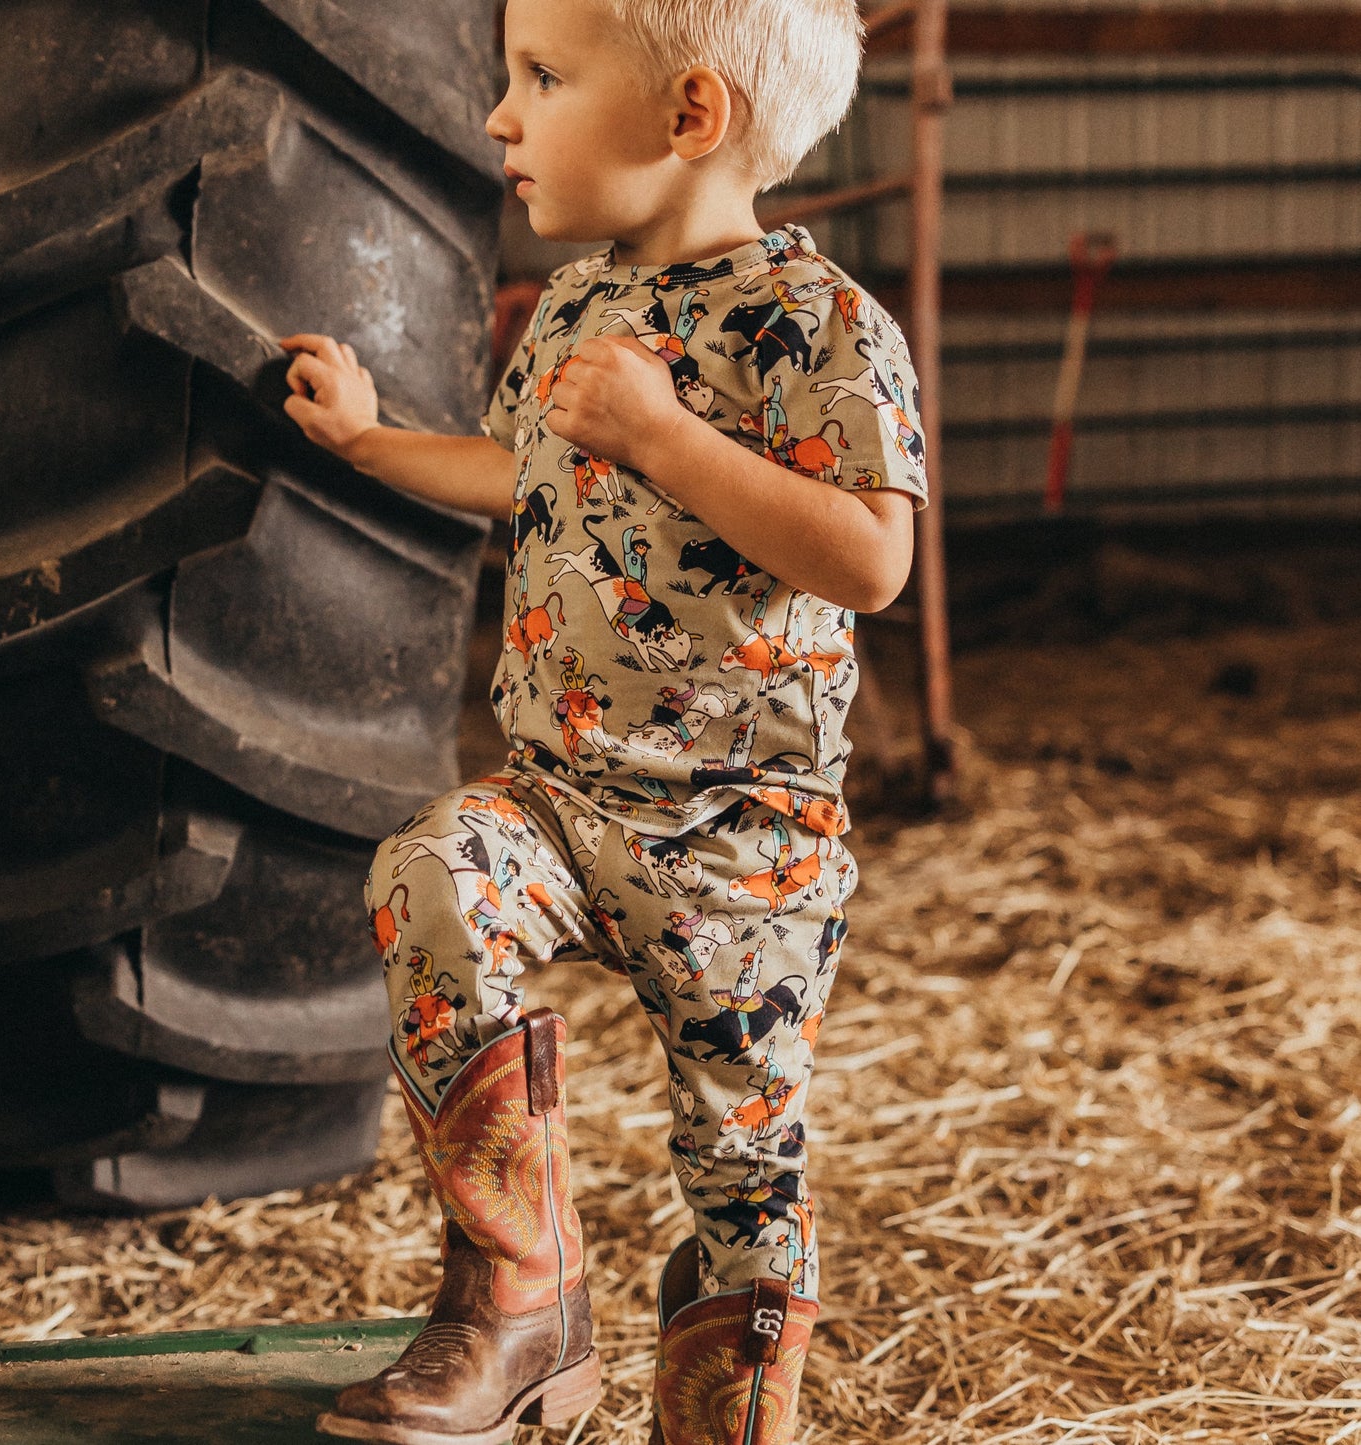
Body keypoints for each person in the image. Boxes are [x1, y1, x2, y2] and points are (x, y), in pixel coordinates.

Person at [280, 0, 927, 1439]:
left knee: (744, 1173)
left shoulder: (818, 325)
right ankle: (519, 1303)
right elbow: (520, 473)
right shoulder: (579, 303)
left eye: (543, 78)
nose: (501, 115)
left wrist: (666, 438)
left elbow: (870, 558)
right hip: (561, 804)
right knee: (431, 872)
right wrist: (370, 436)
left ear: (689, 116)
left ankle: (721, 1408)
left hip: (739, 848)